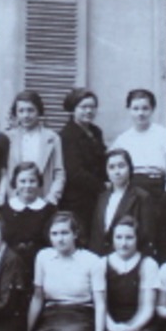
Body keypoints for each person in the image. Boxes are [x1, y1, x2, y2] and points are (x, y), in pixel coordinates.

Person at [89, 147, 160, 258]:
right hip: (103, 259)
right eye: (111, 167)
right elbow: (96, 235)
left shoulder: (142, 197)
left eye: (121, 166)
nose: (117, 172)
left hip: (130, 259)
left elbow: (147, 236)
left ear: (129, 168)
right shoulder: (102, 197)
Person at [0, 160, 55, 285]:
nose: (27, 185)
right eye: (22, 181)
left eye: (32, 181)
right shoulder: (3, 210)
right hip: (9, 268)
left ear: (39, 183)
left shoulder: (49, 210)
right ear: (15, 183)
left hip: (40, 268)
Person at [111, 87, 166, 195]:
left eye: (145, 108)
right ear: (129, 110)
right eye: (135, 109)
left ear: (152, 109)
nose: (140, 113)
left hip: (158, 189)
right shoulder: (122, 140)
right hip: (130, 190)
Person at [4, 89, 64, 204]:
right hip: (16, 198)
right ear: (16, 114)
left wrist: (53, 196)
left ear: (39, 111)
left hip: (44, 198)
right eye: (21, 111)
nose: (26, 115)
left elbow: (59, 172)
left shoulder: (52, 138)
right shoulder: (8, 138)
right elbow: (5, 172)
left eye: (30, 110)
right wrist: (11, 196)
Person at [58, 87, 107, 228]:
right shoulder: (67, 135)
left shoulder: (96, 132)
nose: (89, 111)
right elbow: (75, 172)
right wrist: (102, 187)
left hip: (96, 197)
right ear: (73, 110)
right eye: (83, 107)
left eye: (92, 107)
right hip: (76, 199)